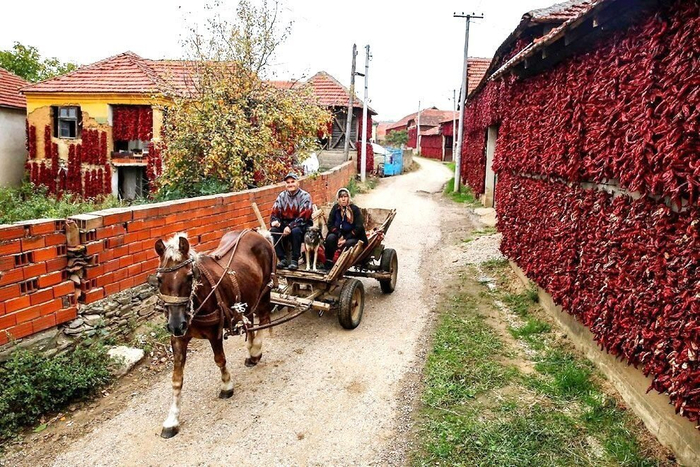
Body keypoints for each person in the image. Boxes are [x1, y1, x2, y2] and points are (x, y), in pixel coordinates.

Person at [270, 172, 313, 270]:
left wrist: (290, 227)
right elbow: (274, 212)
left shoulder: (305, 196)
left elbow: (304, 216)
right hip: (285, 223)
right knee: (273, 231)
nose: (290, 184)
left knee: (295, 231)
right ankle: (282, 259)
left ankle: (294, 260)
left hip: (302, 224)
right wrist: (275, 221)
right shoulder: (282, 196)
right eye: (288, 182)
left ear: (298, 183)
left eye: (293, 181)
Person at [323, 187, 368, 270]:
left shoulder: (354, 209)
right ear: (338, 199)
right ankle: (329, 261)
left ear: (348, 198)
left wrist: (345, 239)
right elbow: (330, 224)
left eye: (345, 197)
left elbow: (358, 227)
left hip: (353, 236)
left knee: (348, 244)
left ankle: (342, 264)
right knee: (330, 238)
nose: (343, 199)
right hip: (339, 234)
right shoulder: (335, 208)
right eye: (341, 197)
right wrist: (339, 235)